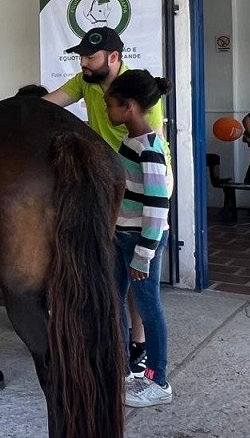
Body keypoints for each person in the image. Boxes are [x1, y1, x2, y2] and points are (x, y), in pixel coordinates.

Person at [43, 26, 167, 375]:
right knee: (113, 282)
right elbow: (48, 103)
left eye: (90, 57)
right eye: (81, 56)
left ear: (113, 57)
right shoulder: (86, 81)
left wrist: (146, 247)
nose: (83, 63)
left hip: (140, 190)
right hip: (109, 190)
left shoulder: (137, 94)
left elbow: (154, 173)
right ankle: (117, 350)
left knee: (140, 287)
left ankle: (142, 349)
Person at [104, 70, 174, 408]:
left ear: (129, 106)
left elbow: (158, 206)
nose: (107, 111)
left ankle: (159, 381)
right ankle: (122, 371)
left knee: (148, 309)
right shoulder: (129, 141)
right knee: (114, 299)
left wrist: (144, 254)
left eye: (110, 105)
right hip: (123, 236)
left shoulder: (149, 148)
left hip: (141, 241)